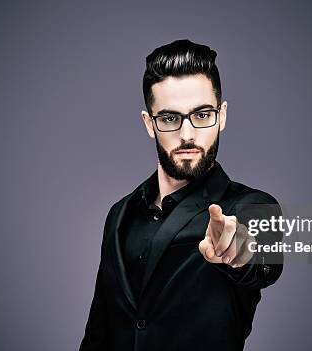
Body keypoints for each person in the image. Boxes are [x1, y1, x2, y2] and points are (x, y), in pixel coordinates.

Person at [78, 39, 283, 351]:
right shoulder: (119, 214)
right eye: (170, 118)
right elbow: (98, 332)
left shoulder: (254, 207)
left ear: (222, 115)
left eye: (202, 115)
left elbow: (261, 261)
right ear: (150, 123)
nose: (187, 134)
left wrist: (237, 252)